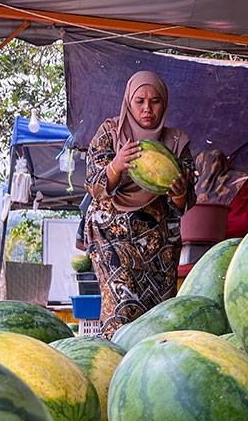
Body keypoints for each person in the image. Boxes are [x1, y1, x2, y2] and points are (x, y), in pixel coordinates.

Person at [83, 71, 195, 339]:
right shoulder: (109, 134)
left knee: (159, 321)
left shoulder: (177, 143)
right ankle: (115, 375)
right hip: (113, 242)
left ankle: (151, 376)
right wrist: (116, 165)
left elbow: (186, 201)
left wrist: (179, 194)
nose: (147, 109)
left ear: (164, 104)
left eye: (155, 101)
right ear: (128, 102)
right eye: (139, 101)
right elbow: (93, 186)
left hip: (160, 247)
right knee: (120, 316)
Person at [194, 148, 248, 239]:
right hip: (247, 238)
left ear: (202, 167)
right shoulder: (244, 180)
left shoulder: (197, 190)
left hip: (213, 240)